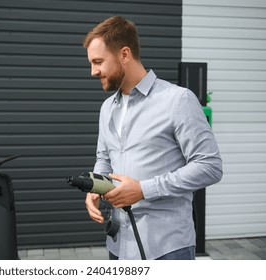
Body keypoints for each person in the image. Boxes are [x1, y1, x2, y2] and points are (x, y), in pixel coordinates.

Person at [82, 16, 223, 260]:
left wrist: (143, 190)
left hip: (167, 248)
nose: (93, 71)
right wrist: (96, 185)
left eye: (98, 62)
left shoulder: (178, 100)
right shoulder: (107, 108)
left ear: (124, 54)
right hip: (118, 245)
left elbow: (210, 167)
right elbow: (104, 158)